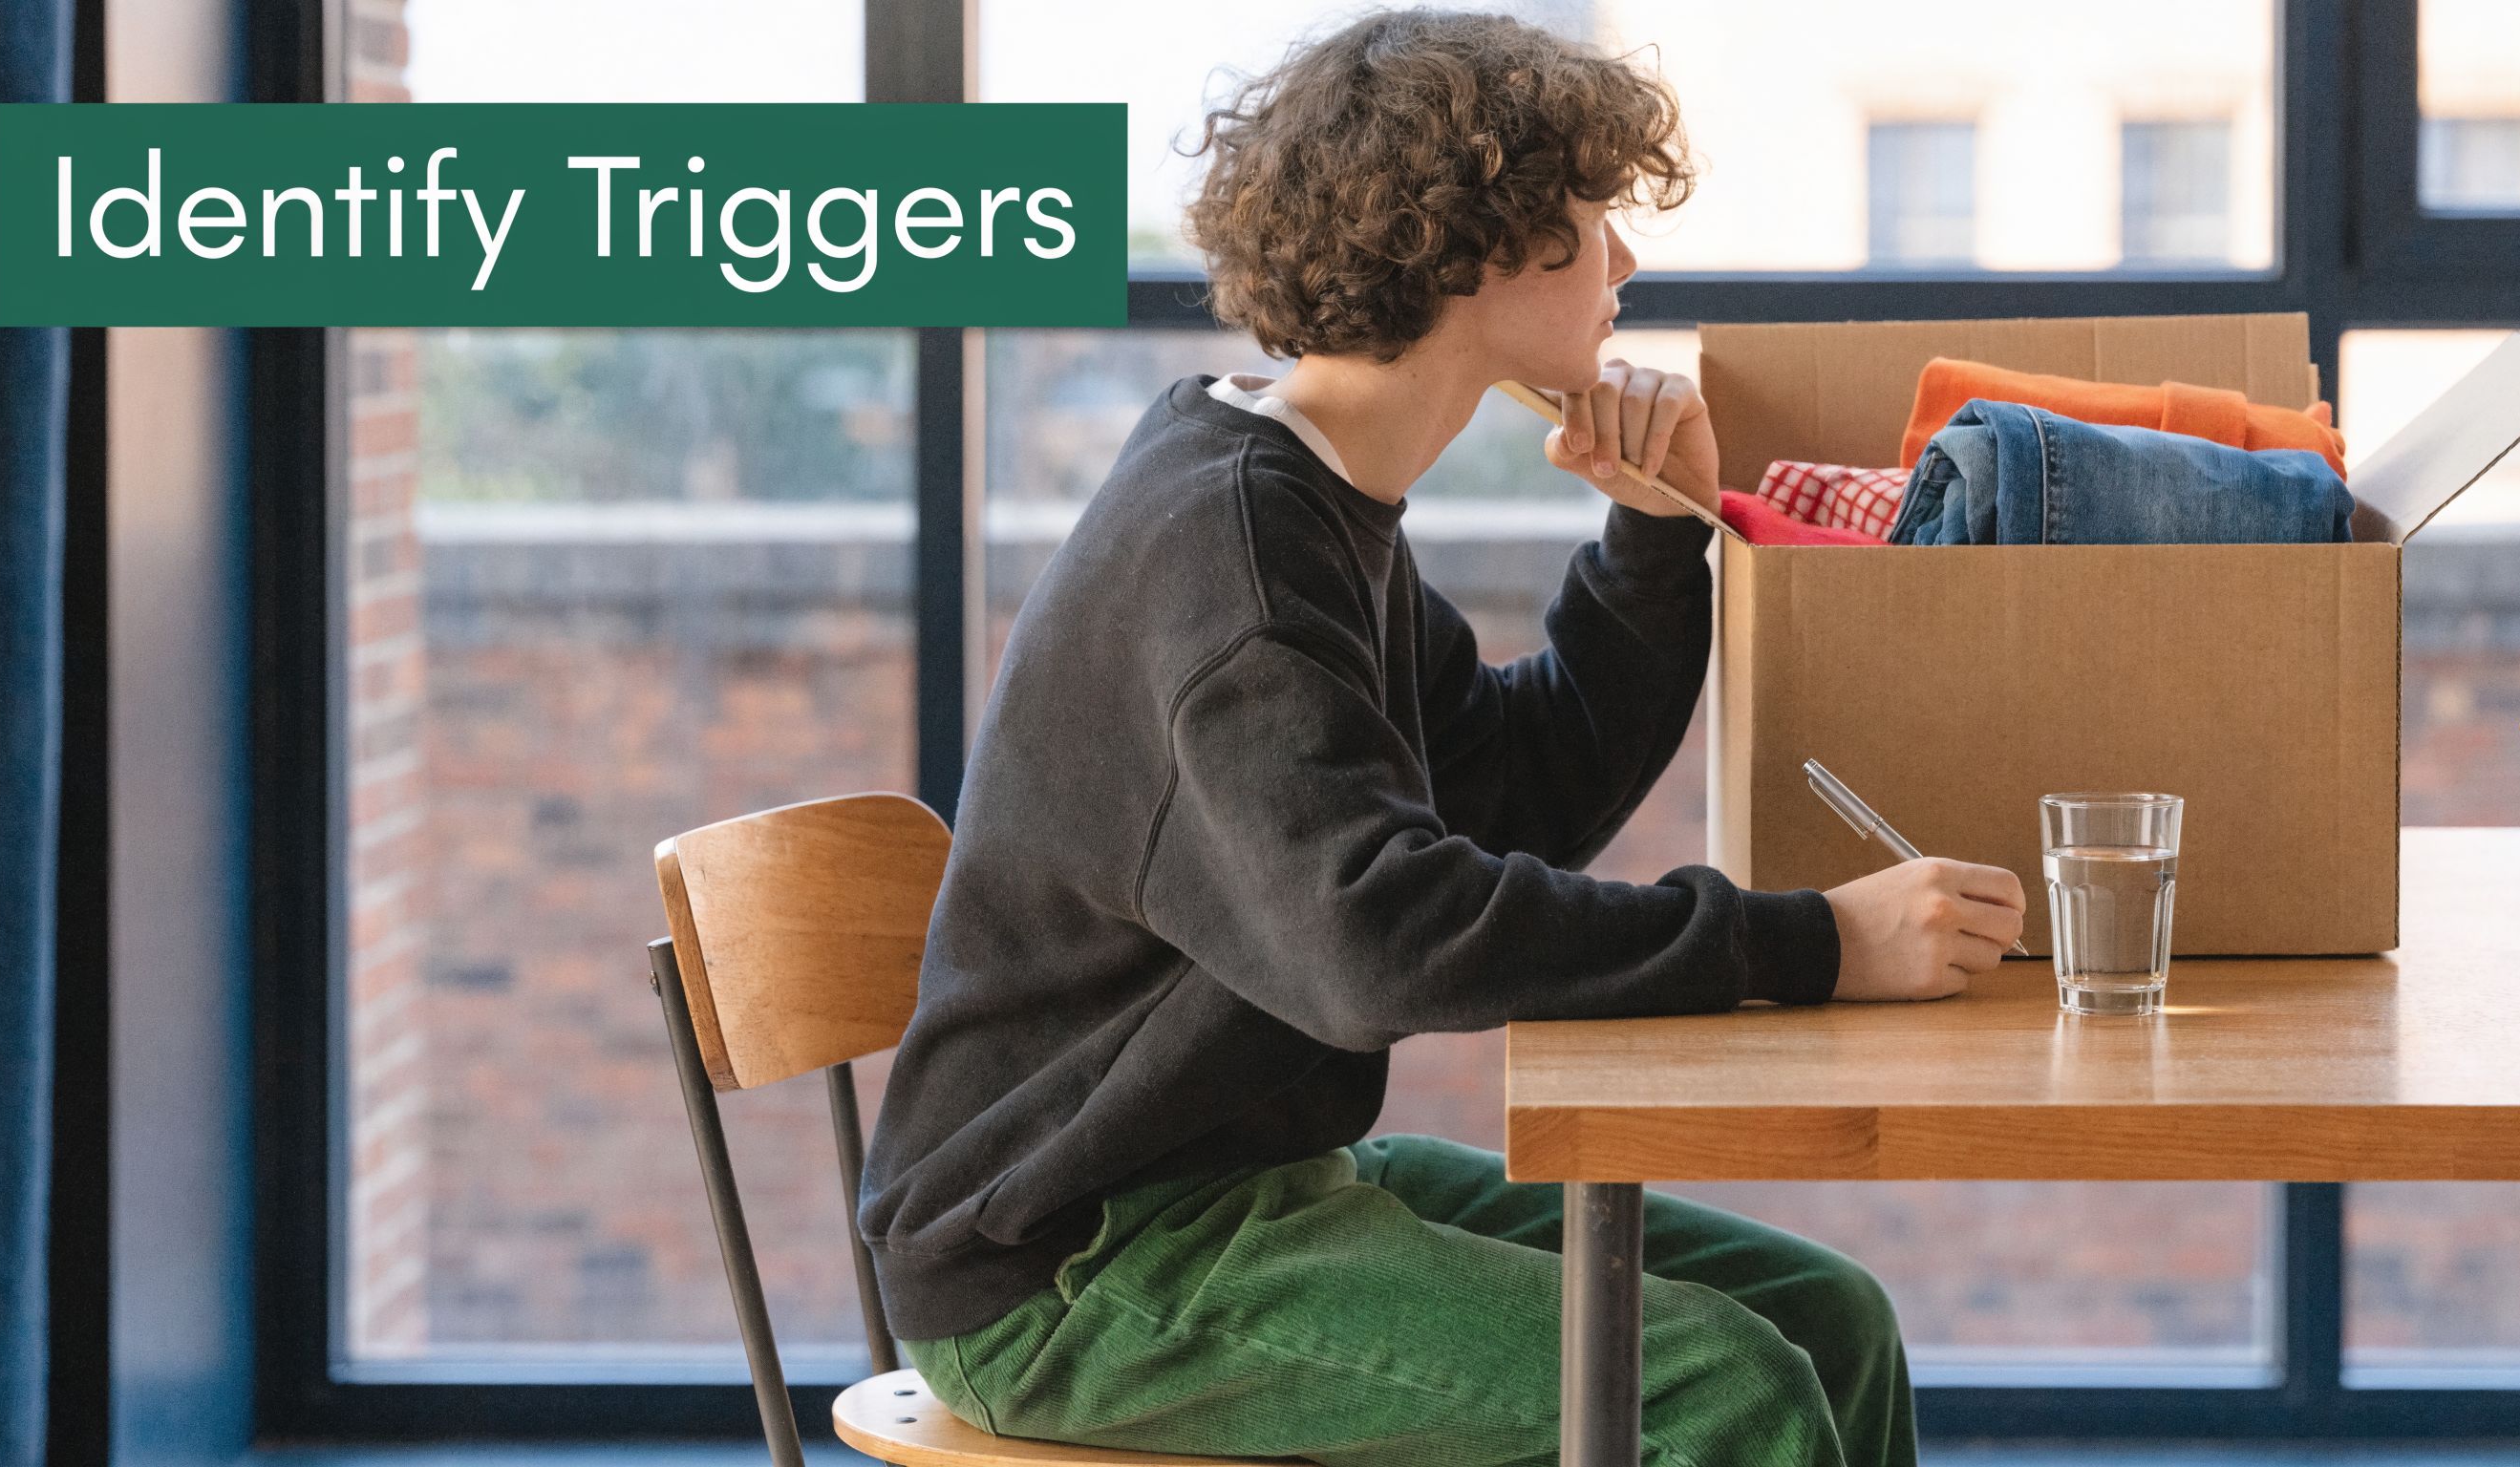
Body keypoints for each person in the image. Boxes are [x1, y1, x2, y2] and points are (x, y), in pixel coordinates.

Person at [857, 11, 2025, 1465]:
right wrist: (1810, 946)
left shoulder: (1304, 493)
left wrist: (1655, 537)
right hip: (1075, 1261)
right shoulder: (1236, 563)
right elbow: (1378, 944)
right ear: (1480, 248)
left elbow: (1515, 787)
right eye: (1598, 225)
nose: (1627, 265)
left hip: (1242, 1179)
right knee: (1728, 1392)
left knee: (1829, 1320)